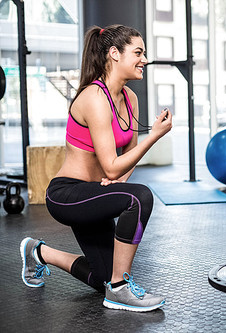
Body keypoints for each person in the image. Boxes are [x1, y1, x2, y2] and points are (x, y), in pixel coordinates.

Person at [19, 24, 173, 312]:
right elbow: (112, 167)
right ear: (115, 53)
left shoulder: (130, 98)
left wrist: (115, 184)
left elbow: (126, 158)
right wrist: (153, 136)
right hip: (68, 194)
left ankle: (39, 252)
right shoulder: (94, 97)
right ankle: (119, 289)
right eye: (138, 53)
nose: (145, 60)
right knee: (140, 197)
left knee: (101, 275)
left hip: (95, 193)